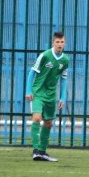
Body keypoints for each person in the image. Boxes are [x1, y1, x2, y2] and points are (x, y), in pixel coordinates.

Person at [25, 31, 70, 162]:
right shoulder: (44, 55)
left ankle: (43, 152)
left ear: (65, 43)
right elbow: (32, 72)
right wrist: (29, 90)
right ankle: (36, 151)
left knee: (48, 123)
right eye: (57, 42)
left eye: (62, 42)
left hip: (51, 95)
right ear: (53, 43)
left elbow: (64, 79)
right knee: (37, 118)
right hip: (38, 92)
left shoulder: (65, 60)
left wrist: (62, 98)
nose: (60, 44)